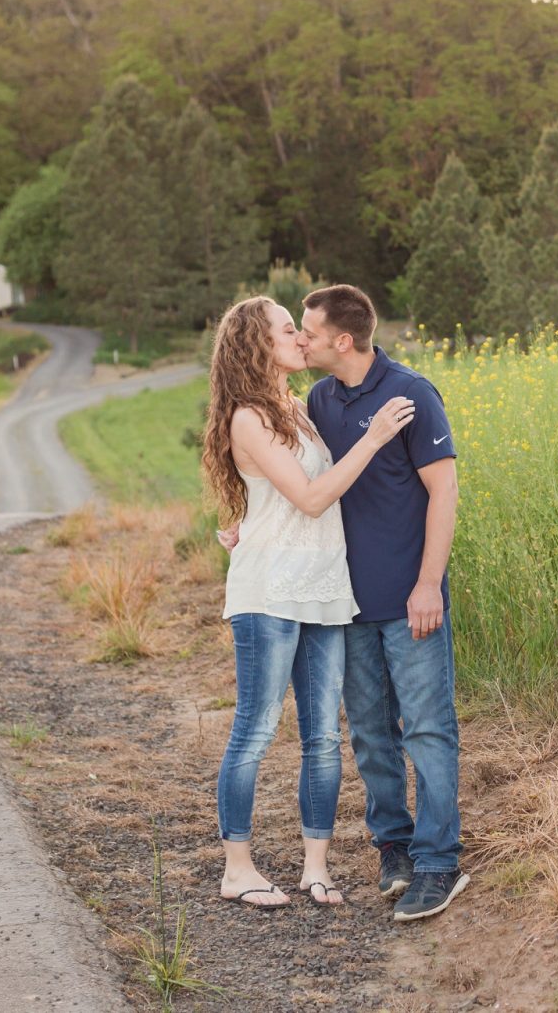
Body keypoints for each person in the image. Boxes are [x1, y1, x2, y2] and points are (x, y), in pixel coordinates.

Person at [200, 295, 415, 909]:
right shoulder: (248, 417)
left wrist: (240, 520)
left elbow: (279, 498)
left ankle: (315, 867)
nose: (300, 337)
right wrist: (373, 438)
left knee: (323, 735)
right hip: (269, 591)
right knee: (257, 728)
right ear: (257, 345)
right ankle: (237, 868)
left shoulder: (297, 408)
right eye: (288, 329)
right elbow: (312, 498)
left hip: (322, 588)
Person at [299, 285, 466, 922]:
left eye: (309, 330)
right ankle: (393, 847)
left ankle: (438, 862)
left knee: (426, 728)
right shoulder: (320, 397)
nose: (302, 340)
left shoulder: (411, 394)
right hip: (346, 602)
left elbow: (444, 492)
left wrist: (429, 583)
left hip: (409, 596)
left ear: (343, 339)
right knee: (370, 734)